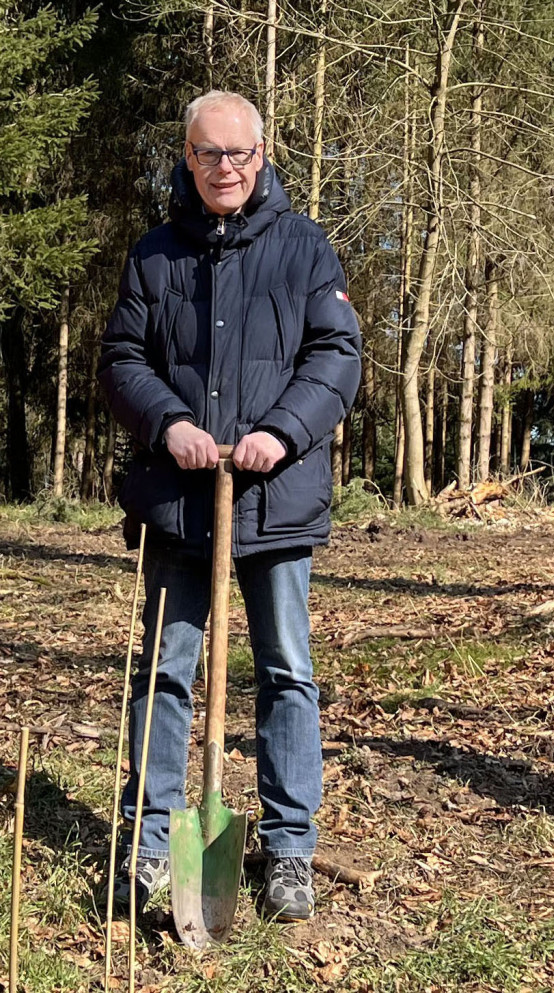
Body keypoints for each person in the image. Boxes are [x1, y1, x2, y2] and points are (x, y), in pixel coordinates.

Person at [99, 90, 361, 920]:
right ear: (187, 157)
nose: (225, 169)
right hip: (179, 500)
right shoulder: (155, 254)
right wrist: (167, 421)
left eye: (239, 154)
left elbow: (337, 357)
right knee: (165, 672)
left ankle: (288, 850)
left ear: (262, 154)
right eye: (209, 154)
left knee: (287, 673)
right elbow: (121, 358)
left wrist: (282, 432)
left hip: (274, 499)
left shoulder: (306, 249)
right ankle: (149, 847)